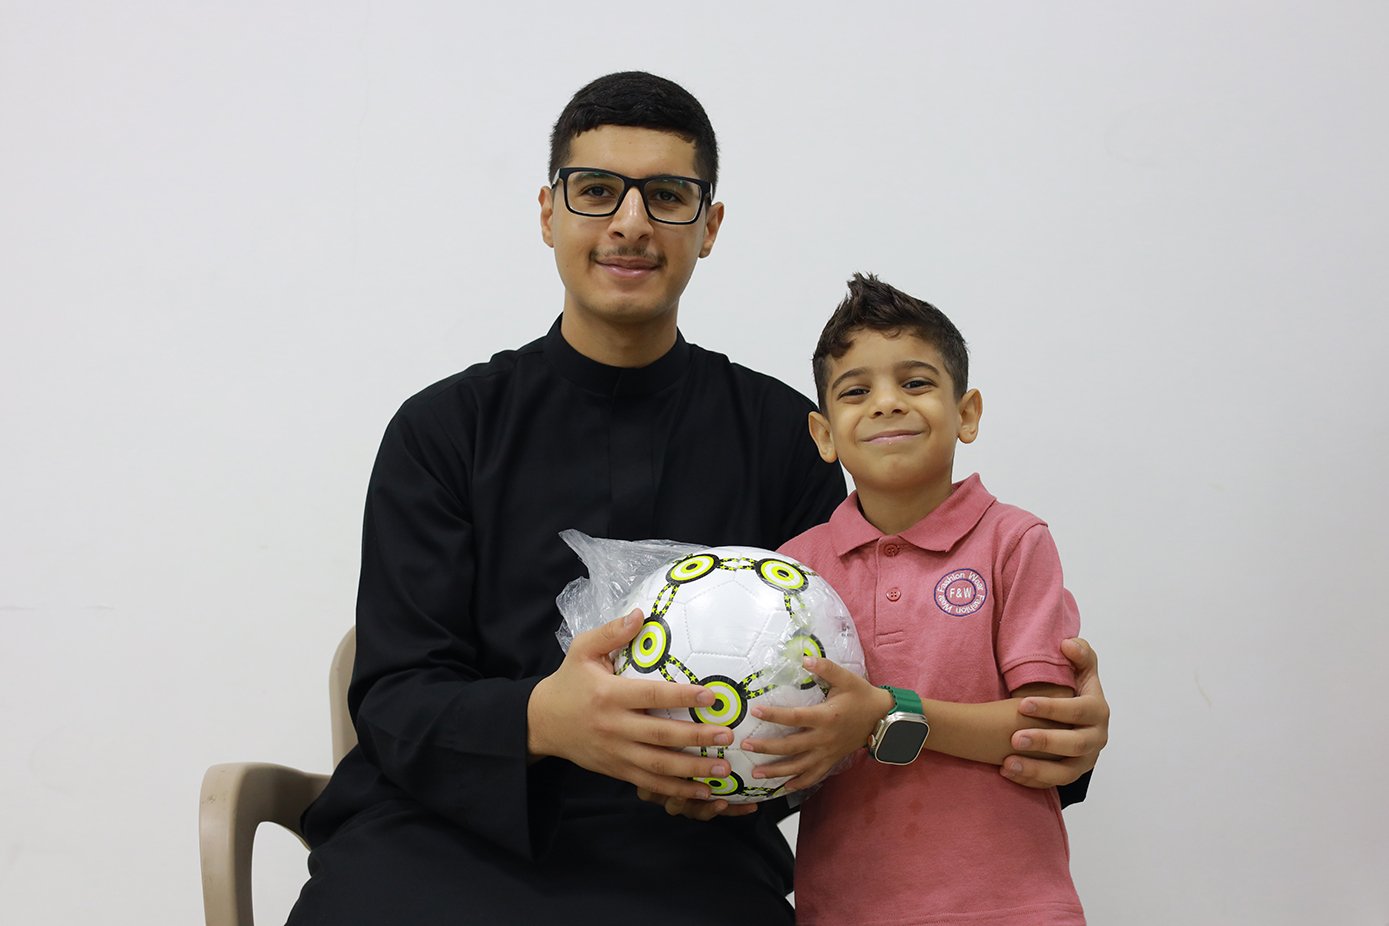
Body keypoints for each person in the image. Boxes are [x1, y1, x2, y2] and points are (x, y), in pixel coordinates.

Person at [285, 73, 1107, 925]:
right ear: (548, 212)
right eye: (595, 190)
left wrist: (1052, 730)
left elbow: (854, 683)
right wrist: (545, 718)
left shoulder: (784, 438)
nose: (629, 223)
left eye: (667, 196)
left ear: (708, 226)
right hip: (435, 842)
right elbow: (393, 698)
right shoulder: (443, 431)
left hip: (693, 854)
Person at [740, 273, 1088, 924]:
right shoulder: (793, 570)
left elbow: (1043, 735)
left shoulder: (1015, 542)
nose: (886, 404)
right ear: (823, 434)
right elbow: (778, 736)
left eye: (916, 382)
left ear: (967, 413)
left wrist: (884, 714)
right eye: (855, 391)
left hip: (1010, 910)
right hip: (843, 910)